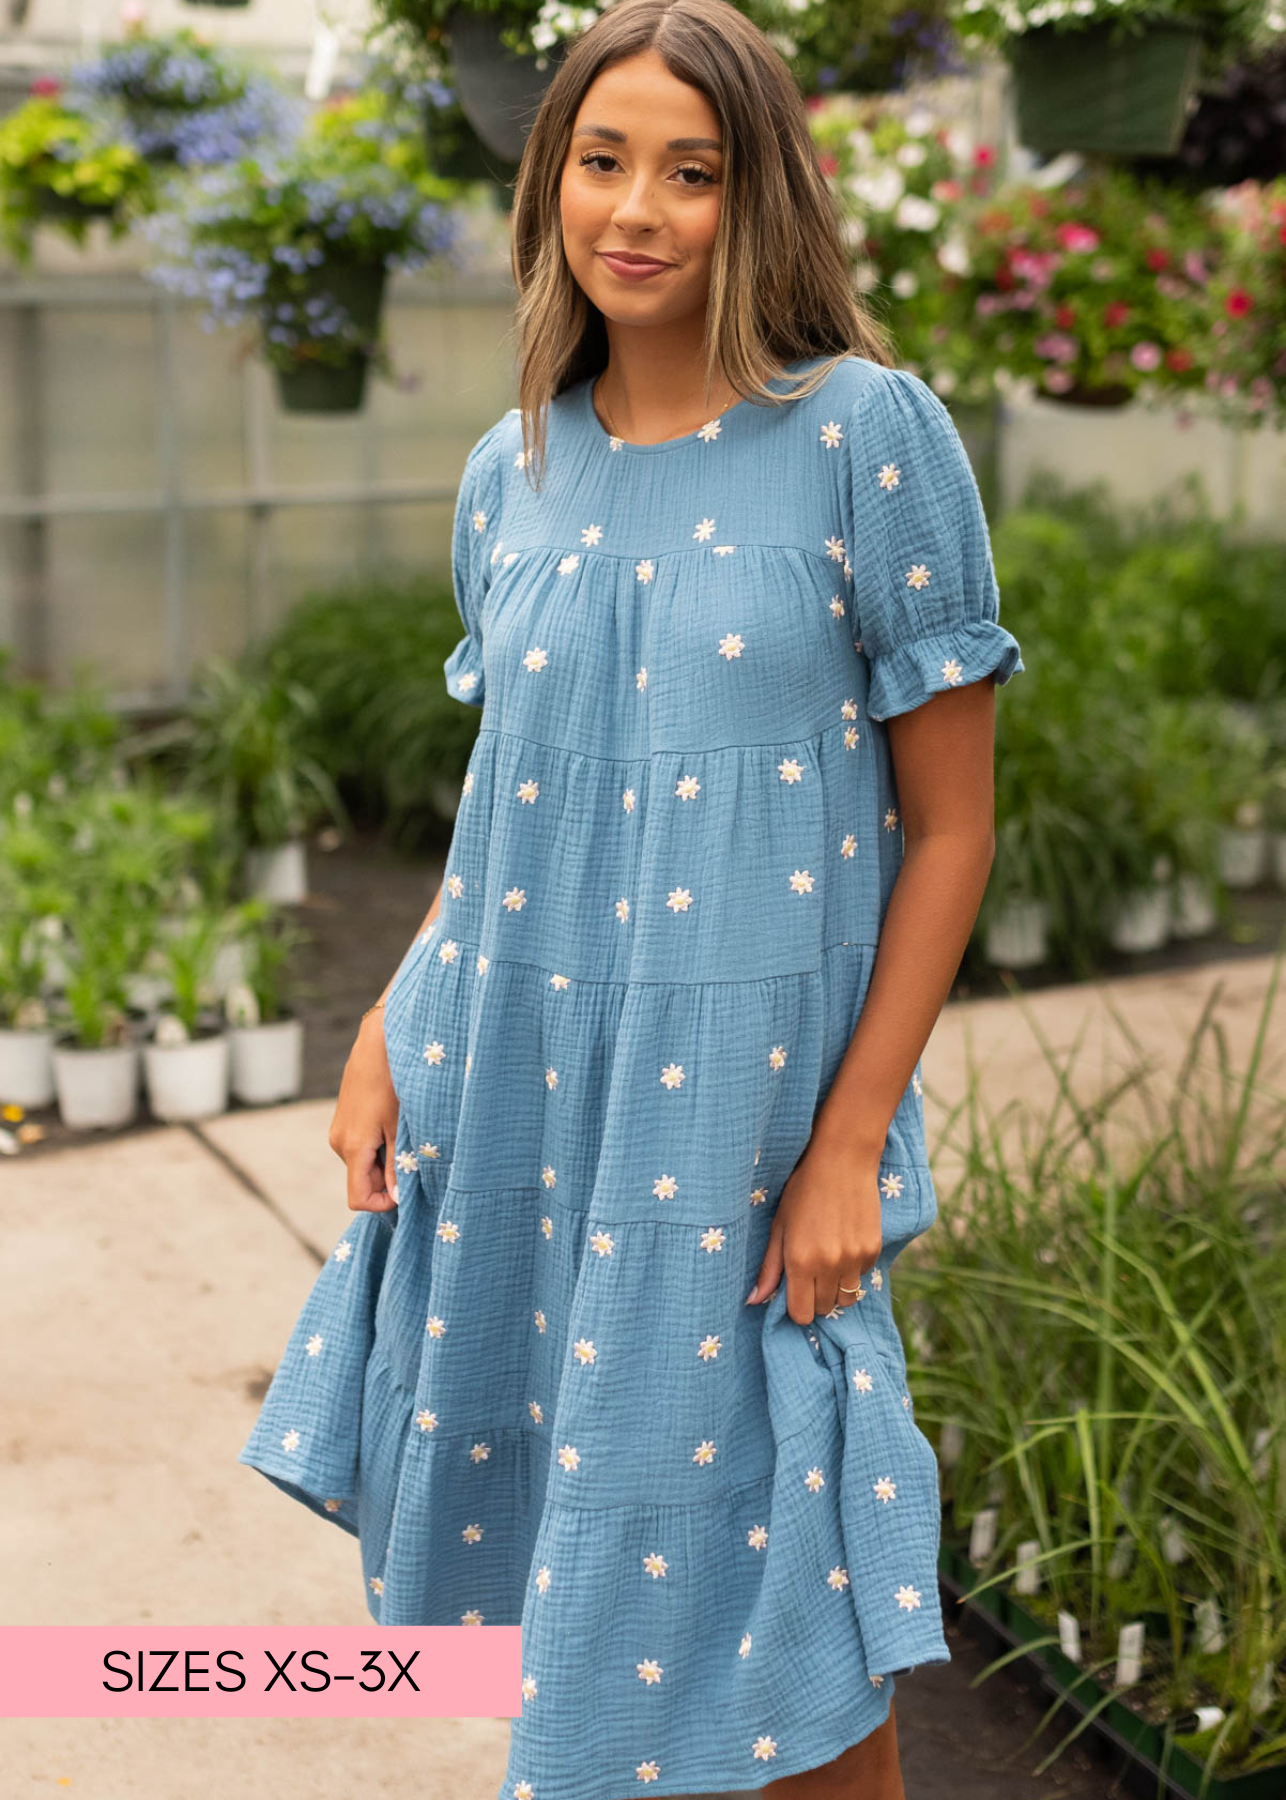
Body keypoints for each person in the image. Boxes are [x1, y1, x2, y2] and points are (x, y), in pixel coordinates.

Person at [237, 1, 1026, 1795]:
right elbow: (519, 803)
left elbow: (952, 830)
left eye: (694, 169)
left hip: (741, 1135)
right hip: (517, 1097)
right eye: (604, 161)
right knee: (577, 1591)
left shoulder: (865, 437)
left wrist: (848, 1141)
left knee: (791, 1617)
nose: (640, 209)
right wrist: (385, 1022)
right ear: (549, 183)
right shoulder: (507, 469)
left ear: (762, 202)